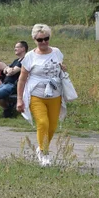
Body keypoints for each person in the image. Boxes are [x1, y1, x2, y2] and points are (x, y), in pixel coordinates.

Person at [16, 25, 68, 167]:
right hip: (36, 95)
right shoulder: (29, 56)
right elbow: (22, 79)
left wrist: (63, 69)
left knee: (52, 126)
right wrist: (19, 99)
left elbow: (61, 68)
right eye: (40, 40)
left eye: (46, 39)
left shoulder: (57, 52)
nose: (44, 42)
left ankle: (41, 147)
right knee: (43, 123)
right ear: (34, 40)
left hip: (55, 94)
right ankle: (44, 154)